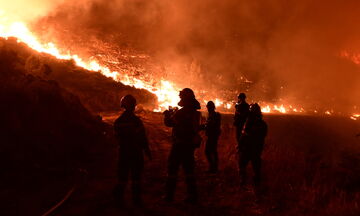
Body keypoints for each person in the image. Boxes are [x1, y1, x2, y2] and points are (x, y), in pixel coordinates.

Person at [163, 88, 201, 204]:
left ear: (185, 98)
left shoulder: (183, 112)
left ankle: (169, 197)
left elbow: (169, 123)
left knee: (172, 169)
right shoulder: (194, 112)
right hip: (189, 145)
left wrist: (167, 115)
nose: (180, 98)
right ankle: (192, 196)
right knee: (189, 170)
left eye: (181, 96)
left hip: (179, 145)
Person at [113, 94, 152, 205]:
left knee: (122, 176)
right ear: (134, 106)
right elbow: (142, 138)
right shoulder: (136, 121)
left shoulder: (118, 121)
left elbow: (116, 138)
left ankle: (118, 198)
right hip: (136, 152)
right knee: (136, 176)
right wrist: (146, 150)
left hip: (124, 152)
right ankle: (136, 199)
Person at [238, 103, 267, 186]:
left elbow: (245, 135)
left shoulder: (250, 123)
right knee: (254, 168)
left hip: (250, 149)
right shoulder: (262, 124)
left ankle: (247, 183)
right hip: (255, 149)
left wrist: (240, 144)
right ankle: (254, 184)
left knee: (244, 165)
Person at [201, 101, 221, 173]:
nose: (208, 108)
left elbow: (211, 125)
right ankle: (214, 167)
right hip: (212, 135)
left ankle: (213, 167)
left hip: (213, 136)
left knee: (208, 151)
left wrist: (203, 126)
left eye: (208, 107)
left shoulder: (214, 115)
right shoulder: (212, 115)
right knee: (212, 151)